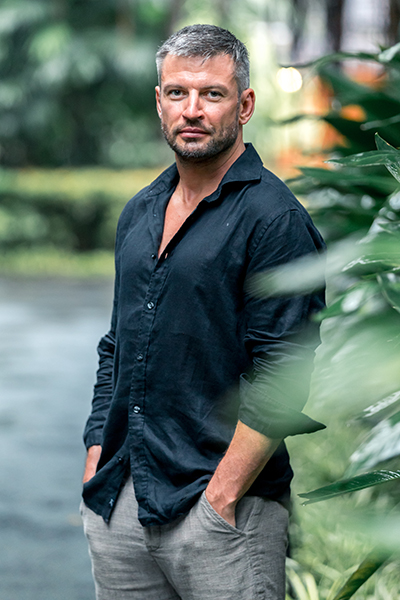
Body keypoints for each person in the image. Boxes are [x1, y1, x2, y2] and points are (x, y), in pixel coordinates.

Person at [81, 24, 325, 600]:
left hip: (221, 512)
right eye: (177, 92)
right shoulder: (140, 211)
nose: (192, 110)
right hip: (123, 497)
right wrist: (97, 457)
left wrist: (221, 500)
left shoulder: (276, 220)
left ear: (245, 105)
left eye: (212, 94)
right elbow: (117, 345)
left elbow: (283, 373)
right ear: (159, 102)